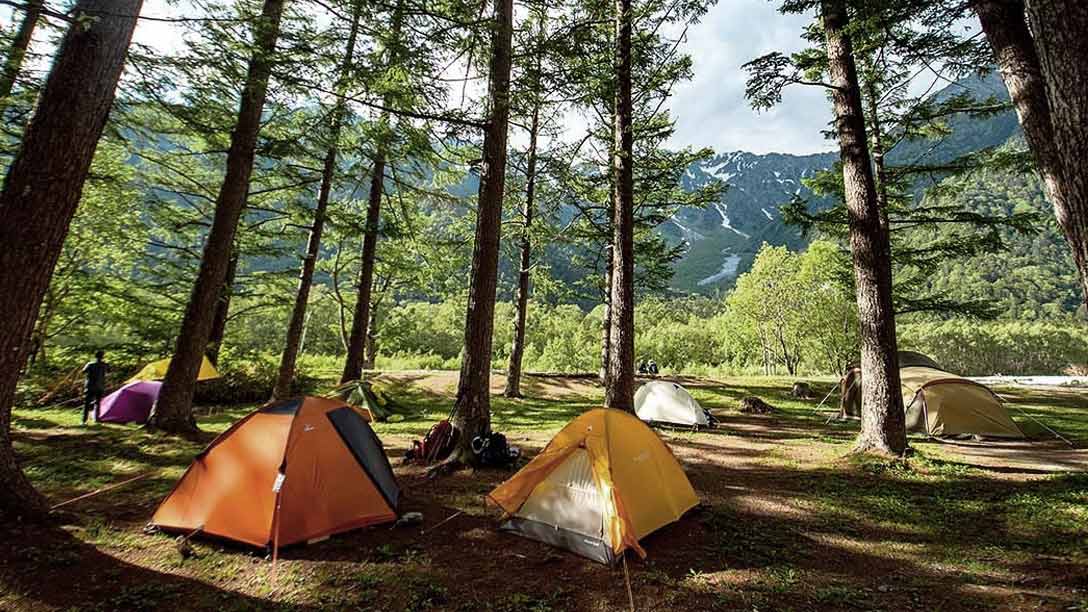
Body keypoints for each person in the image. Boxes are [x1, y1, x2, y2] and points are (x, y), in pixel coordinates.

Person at [82, 350, 109, 424]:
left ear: (95, 356)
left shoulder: (90, 364)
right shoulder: (105, 365)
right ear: (102, 357)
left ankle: (84, 420)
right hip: (100, 386)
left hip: (90, 386)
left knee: (87, 403)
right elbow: (109, 371)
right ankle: (97, 419)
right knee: (98, 403)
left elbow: (83, 371)